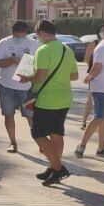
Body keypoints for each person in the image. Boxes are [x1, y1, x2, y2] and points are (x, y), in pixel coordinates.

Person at [19, 19, 78, 186]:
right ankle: (52, 168)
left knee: (37, 133)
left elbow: (40, 76)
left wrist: (27, 78)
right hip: (64, 98)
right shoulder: (67, 50)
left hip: (47, 99)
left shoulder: (43, 50)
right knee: (56, 133)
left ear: (40, 33)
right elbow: (74, 76)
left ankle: (59, 168)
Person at [0, 20, 39, 154]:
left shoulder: (34, 44)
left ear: (26, 33)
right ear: (12, 32)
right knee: (9, 114)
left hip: (26, 86)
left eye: (22, 35)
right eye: (17, 35)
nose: (20, 37)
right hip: (6, 85)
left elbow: (39, 65)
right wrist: (11, 60)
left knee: (31, 116)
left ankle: (41, 142)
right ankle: (13, 142)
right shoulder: (4, 43)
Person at [75, 23, 104, 159]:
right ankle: (82, 145)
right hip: (103, 89)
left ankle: (101, 148)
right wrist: (89, 77)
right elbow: (97, 67)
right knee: (99, 117)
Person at [79, 32, 102, 129]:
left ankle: (99, 122)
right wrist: (94, 68)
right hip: (95, 75)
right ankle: (84, 121)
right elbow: (86, 59)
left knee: (102, 99)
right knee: (91, 98)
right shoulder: (94, 43)